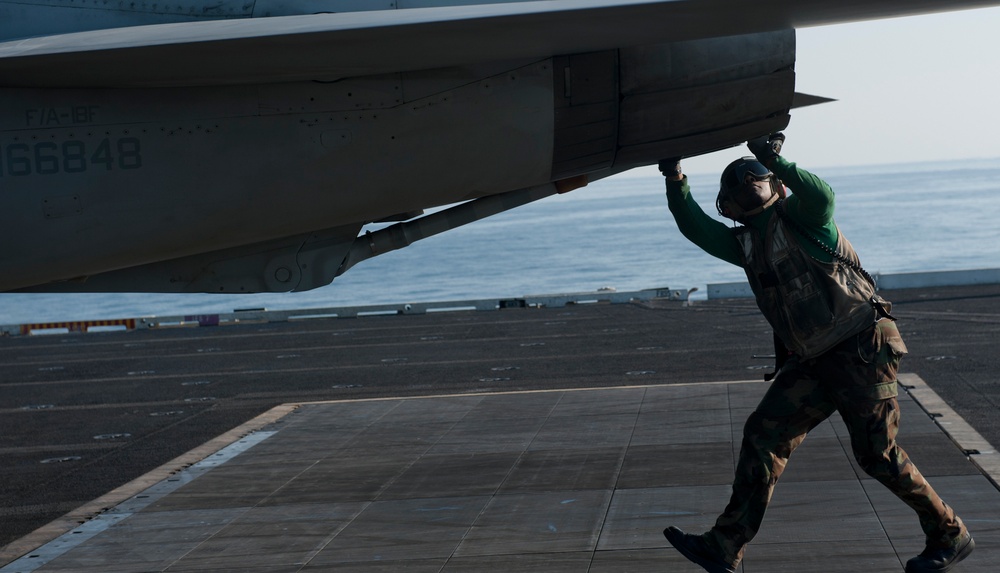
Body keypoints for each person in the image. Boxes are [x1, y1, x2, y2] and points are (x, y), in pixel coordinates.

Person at [657, 134, 974, 573]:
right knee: (764, 435)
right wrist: (675, 177)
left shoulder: (805, 219)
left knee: (877, 454)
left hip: (862, 347)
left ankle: (950, 533)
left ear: (775, 186)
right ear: (729, 203)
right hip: (815, 359)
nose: (749, 184)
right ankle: (724, 544)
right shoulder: (745, 245)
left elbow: (821, 194)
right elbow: (693, 225)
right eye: (743, 183)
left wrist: (775, 158)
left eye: (756, 177)